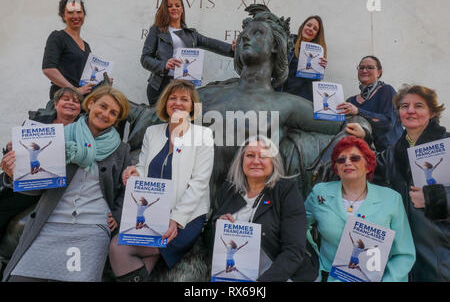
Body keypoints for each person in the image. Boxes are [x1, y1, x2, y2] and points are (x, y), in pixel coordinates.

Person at [1, 86, 131, 282]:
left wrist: (118, 215)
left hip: (92, 227)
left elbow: (126, 189)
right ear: (91, 103)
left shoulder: (122, 150)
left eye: (113, 113)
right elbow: (36, 189)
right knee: (20, 278)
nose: (105, 114)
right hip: (49, 222)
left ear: (117, 119)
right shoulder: (56, 138)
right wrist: (14, 175)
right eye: (102, 106)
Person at [108, 79, 214, 282]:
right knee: (136, 267)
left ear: (192, 106)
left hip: (186, 218)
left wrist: (176, 219)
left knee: (118, 248)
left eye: (184, 99)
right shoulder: (152, 132)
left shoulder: (204, 135)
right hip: (152, 214)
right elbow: (144, 168)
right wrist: (134, 172)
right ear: (165, 102)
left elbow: (200, 183)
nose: (178, 103)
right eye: (172, 98)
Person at [305, 136, 415, 282]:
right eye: (341, 160)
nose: (347, 162)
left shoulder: (392, 199)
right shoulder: (320, 193)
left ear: (368, 165)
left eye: (355, 158)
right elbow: (296, 226)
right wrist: (313, 257)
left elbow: (404, 253)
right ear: (336, 168)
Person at [211, 135, 319, 282]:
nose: (256, 161)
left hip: (280, 275)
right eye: (250, 155)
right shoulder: (229, 190)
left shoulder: (286, 191)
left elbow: (294, 250)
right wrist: (217, 226)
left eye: (263, 156)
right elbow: (210, 239)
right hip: (235, 276)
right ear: (241, 161)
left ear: (273, 162)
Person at [370, 85, 448, 281]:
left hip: (441, 252)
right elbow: (366, 169)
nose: (410, 110)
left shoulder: (448, 145)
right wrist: (361, 139)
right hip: (404, 254)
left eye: (419, 106)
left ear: (431, 112)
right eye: (404, 106)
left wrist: (433, 198)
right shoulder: (391, 154)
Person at [0, 87, 83, 241]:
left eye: (76, 102)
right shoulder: (36, 123)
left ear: (80, 109)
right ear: (56, 103)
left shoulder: (82, 131)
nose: (71, 103)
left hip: (43, 186)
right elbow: (18, 153)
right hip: (16, 177)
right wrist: (11, 150)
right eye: (66, 99)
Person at [141, 0, 235, 105]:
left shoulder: (190, 34)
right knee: (161, 122)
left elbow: (211, 43)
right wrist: (163, 65)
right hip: (161, 86)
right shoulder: (156, 30)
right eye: (169, 6)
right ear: (165, 10)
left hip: (185, 85)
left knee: (186, 119)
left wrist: (234, 49)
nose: (174, 8)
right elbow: (145, 59)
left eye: (177, 5)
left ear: (182, 9)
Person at [336, 56, 403, 151]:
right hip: (361, 154)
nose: (364, 70)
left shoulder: (386, 90)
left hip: (389, 153)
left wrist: (358, 111)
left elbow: (388, 122)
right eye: (361, 67)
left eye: (370, 67)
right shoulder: (351, 101)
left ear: (379, 72)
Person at [42, 0, 95, 100]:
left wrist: (101, 81)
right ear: (63, 16)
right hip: (64, 97)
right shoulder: (58, 37)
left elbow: (86, 77)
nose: (75, 16)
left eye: (79, 12)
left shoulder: (86, 46)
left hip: (82, 99)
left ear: (84, 14)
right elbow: (48, 69)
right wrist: (75, 90)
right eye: (70, 12)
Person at [275, 15, 328, 101]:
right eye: (309, 25)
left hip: (303, 102)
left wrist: (320, 69)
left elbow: (313, 83)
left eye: (315, 29)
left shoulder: (317, 52)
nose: (311, 29)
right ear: (302, 27)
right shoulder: (288, 42)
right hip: (282, 96)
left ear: (315, 35)